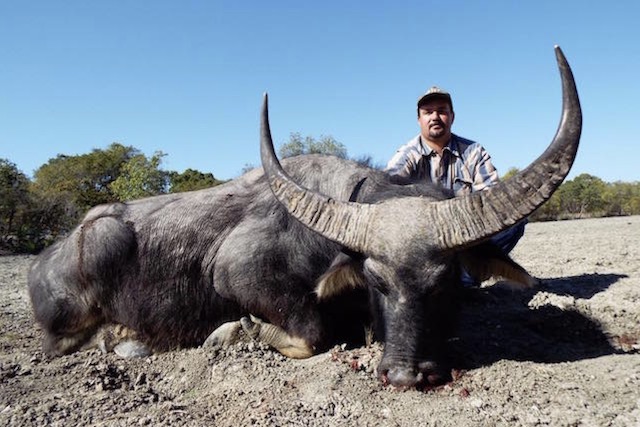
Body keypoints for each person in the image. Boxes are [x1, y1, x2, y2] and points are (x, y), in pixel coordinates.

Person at [386, 86, 526, 287]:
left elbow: (494, 200)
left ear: (452, 116)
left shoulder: (474, 152)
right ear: (419, 120)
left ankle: (463, 280)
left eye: (442, 111)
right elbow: (387, 189)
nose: (435, 117)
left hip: (465, 239)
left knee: (514, 217)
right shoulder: (406, 155)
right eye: (428, 112)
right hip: (424, 245)